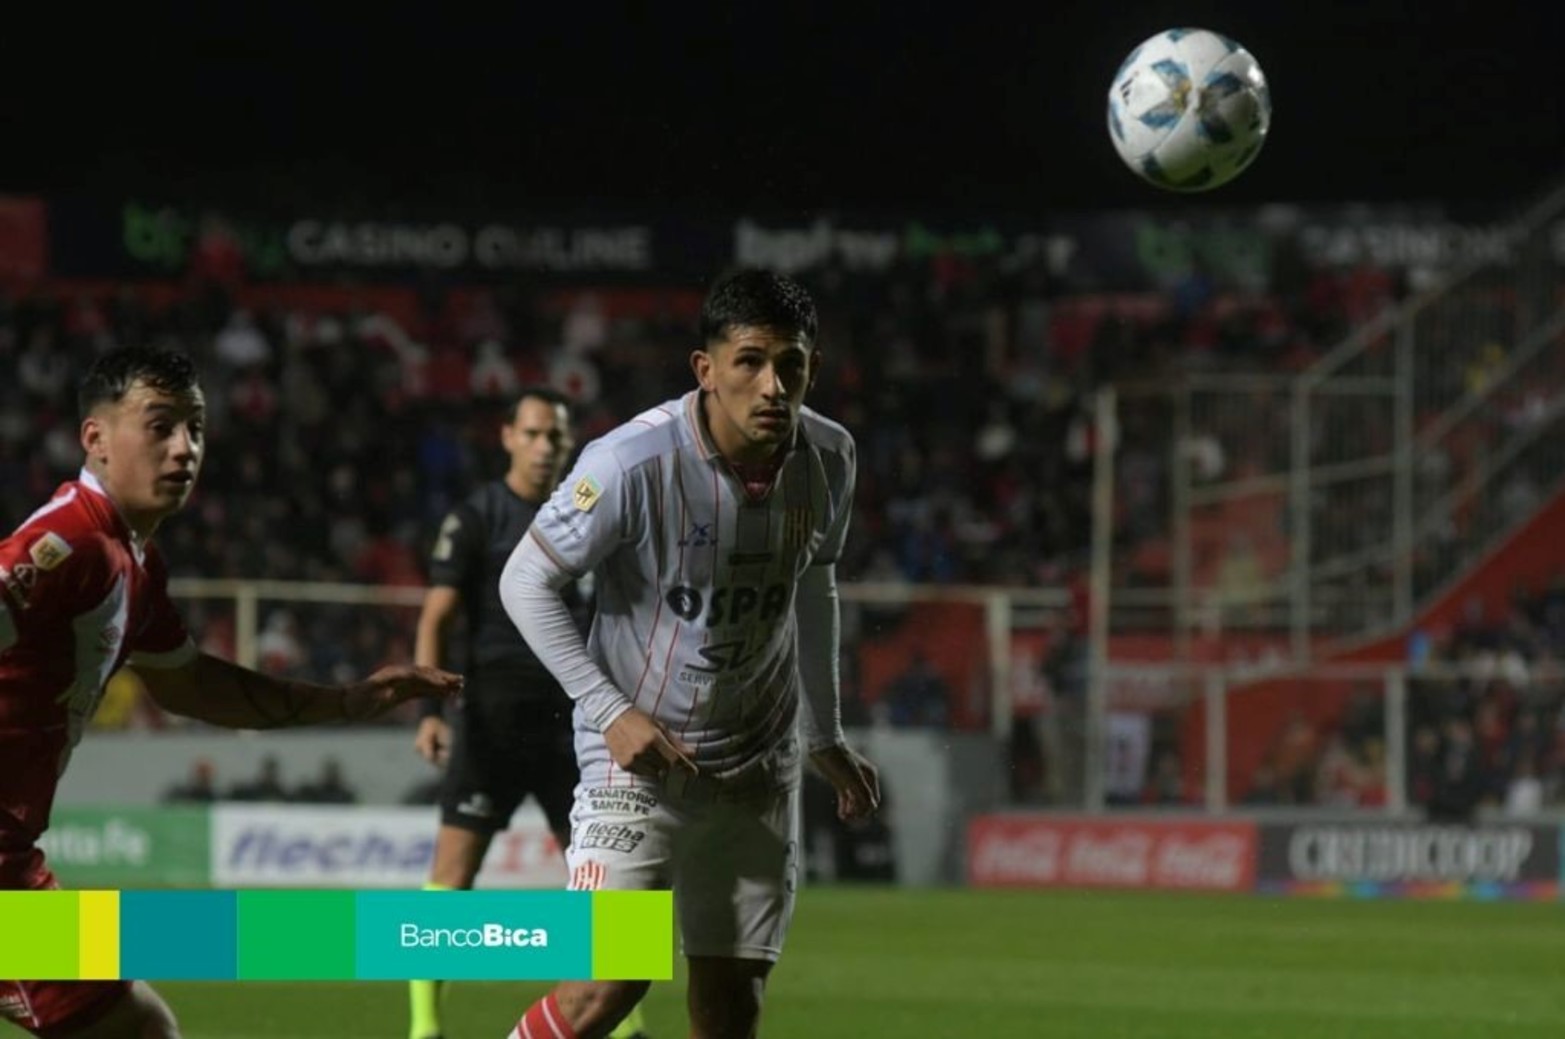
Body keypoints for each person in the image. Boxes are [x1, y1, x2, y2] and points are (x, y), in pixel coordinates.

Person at [0, 346, 462, 1039]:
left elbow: (194, 684)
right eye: (159, 426)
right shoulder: (70, 542)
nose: (184, 448)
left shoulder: (135, 564)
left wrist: (344, 701)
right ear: (94, 439)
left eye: (196, 429)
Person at [498, 269, 879, 1039]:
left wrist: (823, 733)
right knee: (604, 984)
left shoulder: (830, 458)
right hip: (637, 767)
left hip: (756, 772)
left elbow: (813, 587)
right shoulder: (629, 463)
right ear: (705, 369)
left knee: (729, 1009)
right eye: (749, 360)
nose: (773, 385)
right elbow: (524, 579)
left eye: (792, 364)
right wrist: (608, 710)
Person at [407, 388, 652, 1039]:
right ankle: (424, 1025)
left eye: (557, 436)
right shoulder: (479, 515)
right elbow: (436, 616)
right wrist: (431, 711)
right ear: (508, 436)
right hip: (489, 721)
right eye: (535, 433)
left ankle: (624, 1026)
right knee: (452, 877)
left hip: (574, 727)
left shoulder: (588, 512)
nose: (546, 446)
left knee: (604, 881)